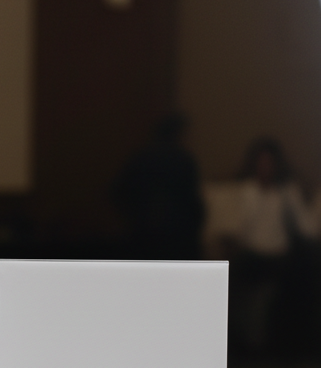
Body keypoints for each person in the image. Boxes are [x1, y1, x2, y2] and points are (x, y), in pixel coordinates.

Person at [206, 137, 319, 354]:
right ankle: (235, 344)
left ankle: (271, 344)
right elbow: (238, 227)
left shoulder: (287, 193)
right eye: (261, 163)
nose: (265, 168)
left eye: (269, 163)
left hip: (279, 256)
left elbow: (307, 229)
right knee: (230, 278)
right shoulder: (247, 192)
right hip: (251, 254)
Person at [113, 112, 205, 260]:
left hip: (143, 233)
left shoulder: (140, 157)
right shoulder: (183, 160)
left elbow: (119, 192)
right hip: (177, 236)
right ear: (179, 133)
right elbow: (192, 199)